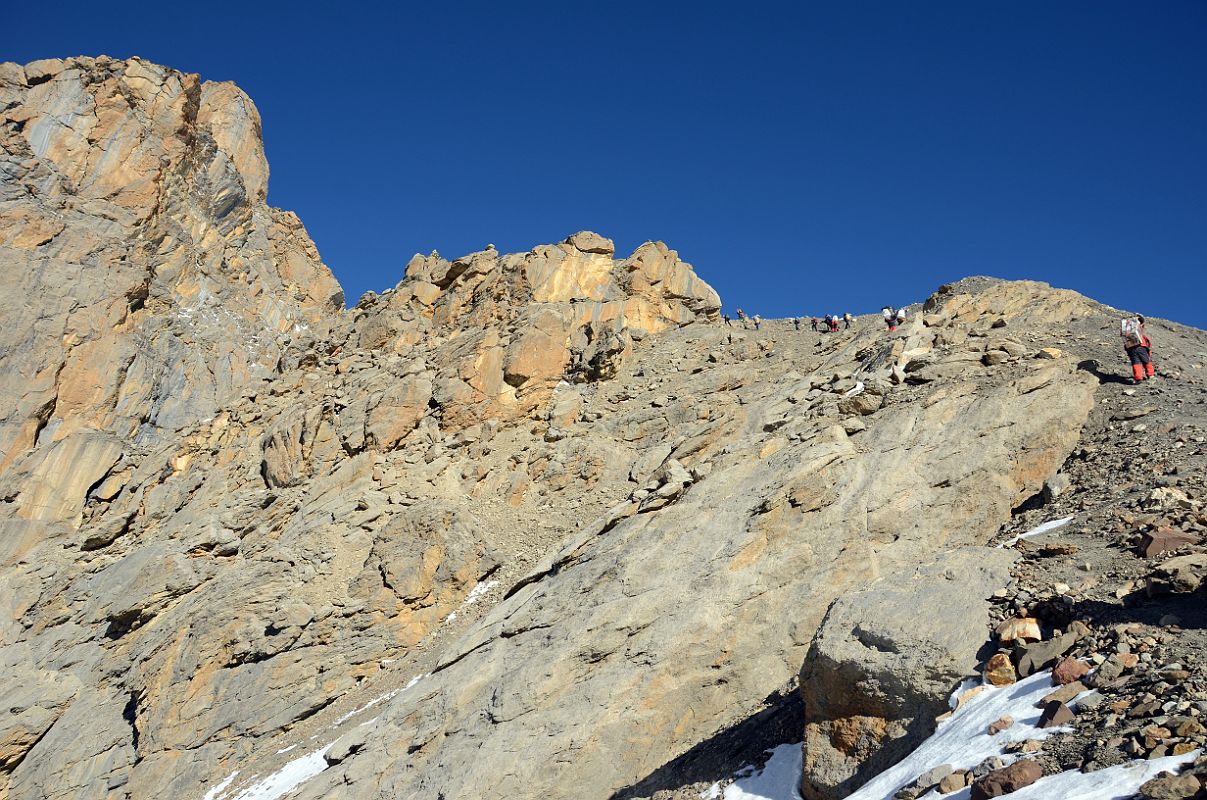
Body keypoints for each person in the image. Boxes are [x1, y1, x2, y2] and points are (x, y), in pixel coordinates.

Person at [1121, 315, 1156, 383]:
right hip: (1140, 347)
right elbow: (1147, 343)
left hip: (1131, 349)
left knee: (1136, 363)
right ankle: (1150, 375)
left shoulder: (1127, 331)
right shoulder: (1139, 331)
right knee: (1146, 361)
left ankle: (1138, 378)